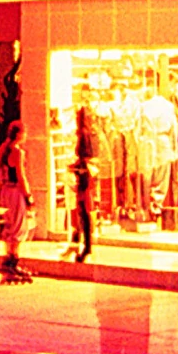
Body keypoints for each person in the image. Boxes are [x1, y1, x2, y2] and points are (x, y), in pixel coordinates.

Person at [0, 156, 31, 285]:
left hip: (5, 192)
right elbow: (21, 176)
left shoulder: (2, 153)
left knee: (9, 227)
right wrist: (28, 197)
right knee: (18, 227)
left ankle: (7, 264)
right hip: (15, 191)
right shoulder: (17, 152)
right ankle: (13, 263)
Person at [67, 112, 96, 263]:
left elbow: (85, 155)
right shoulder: (85, 133)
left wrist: (77, 167)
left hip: (84, 178)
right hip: (83, 176)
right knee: (83, 211)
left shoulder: (83, 134)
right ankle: (85, 241)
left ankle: (87, 244)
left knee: (84, 211)